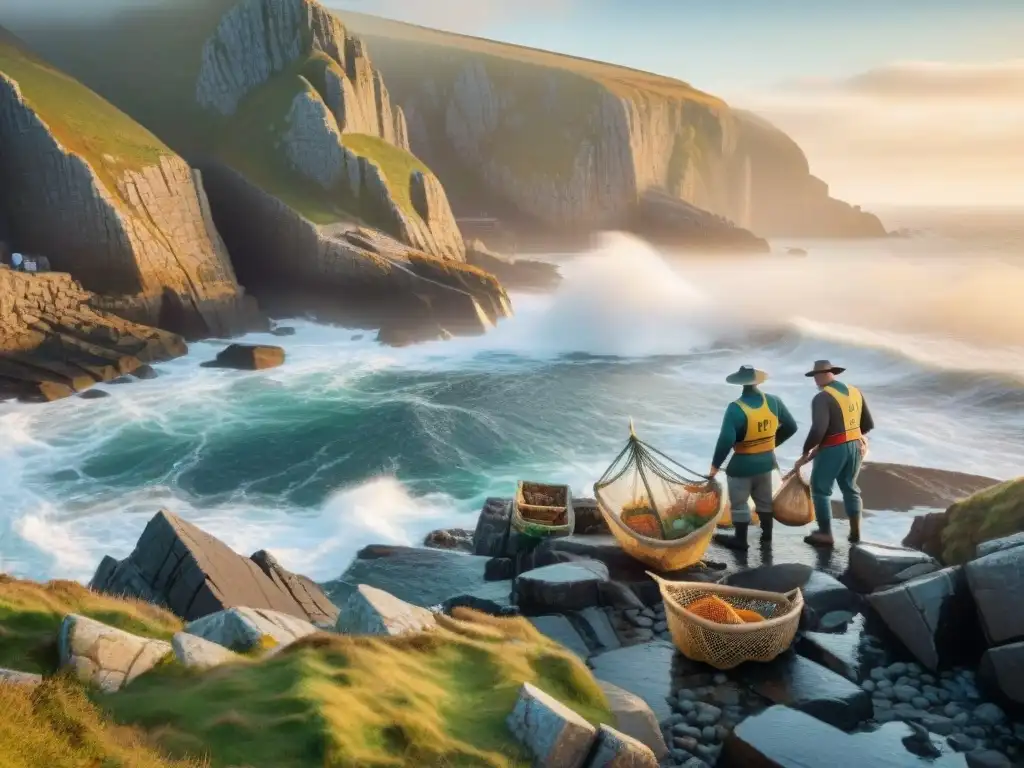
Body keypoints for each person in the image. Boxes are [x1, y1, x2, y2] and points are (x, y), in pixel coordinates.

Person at [708, 365, 798, 551]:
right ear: (757, 381)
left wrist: (715, 466)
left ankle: (740, 540)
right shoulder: (774, 401)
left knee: (740, 503)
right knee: (764, 501)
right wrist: (769, 445)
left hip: (741, 466)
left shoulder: (735, 409)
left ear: (740, 383)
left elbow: (726, 440)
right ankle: (767, 537)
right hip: (767, 463)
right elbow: (791, 426)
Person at [794, 360, 875, 548]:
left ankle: (825, 534)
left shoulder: (822, 397)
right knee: (850, 487)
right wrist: (856, 438)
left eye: (815, 376)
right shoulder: (855, 391)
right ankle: (855, 533)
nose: (815, 380)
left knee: (821, 490)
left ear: (821, 375)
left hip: (833, 449)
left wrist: (806, 451)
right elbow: (867, 424)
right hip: (855, 446)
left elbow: (818, 430)